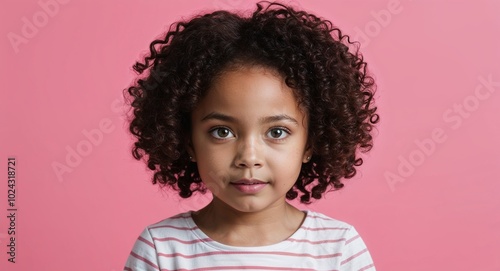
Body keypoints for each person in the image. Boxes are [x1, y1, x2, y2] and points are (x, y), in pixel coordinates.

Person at [122, 1, 379, 270]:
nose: (249, 158)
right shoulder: (161, 249)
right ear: (188, 141)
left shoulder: (339, 248)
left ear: (310, 143)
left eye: (277, 132)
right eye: (222, 132)